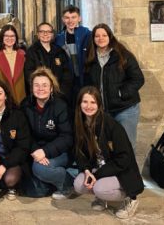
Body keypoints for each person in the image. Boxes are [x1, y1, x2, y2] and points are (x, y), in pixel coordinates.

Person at [73, 86, 144, 219]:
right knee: (78, 184)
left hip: (121, 172)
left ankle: (130, 199)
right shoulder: (80, 124)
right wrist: (87, 171)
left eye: (93, 102)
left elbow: (124, 159)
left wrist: (97, 175)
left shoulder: (112, 126)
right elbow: (79, 153)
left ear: (99, 105)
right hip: (99, 169)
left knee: (99, 188)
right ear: (79, 104)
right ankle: (101, 198)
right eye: (85, 101)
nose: (88, 106)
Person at [84, 23, 145, 148]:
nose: (101, 38)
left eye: (104, 35)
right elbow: (88, 82)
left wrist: (120, 93)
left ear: (110, 37)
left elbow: (138, 79)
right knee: (105, 147)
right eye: (97, 36)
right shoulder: (90, 57)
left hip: (125, 109)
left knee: (126, 146)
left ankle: (129, 168)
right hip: (102, 111)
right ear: (93, 39)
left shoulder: (123, 55)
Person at [20, 67, 73, 199]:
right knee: (34, 191)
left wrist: (45, 152)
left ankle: (68, 182)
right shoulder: (25, 105)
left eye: (45, 85)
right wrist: (36, 150)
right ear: (32, 88)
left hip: (59, 152)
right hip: (35, 152)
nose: (40, 88)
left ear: (51, 88)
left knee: (39, 169)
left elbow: (66, 138)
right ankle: (53, 182)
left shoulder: (60, 106)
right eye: (36, 85)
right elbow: (25, 134)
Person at [24, 22, 73, 108]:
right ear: (38, 35)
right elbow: (29, 74)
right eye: (42, 31)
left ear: (52, 34)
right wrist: (42, 90)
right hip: (39, 96)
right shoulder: (31, 52)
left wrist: (60, 92)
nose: (45, 34)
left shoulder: (59, 51)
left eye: (48, 31)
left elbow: (67, 73)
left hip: (59, 95)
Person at [54, 6, 91, 100]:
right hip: (68, 81)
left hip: (85, 78)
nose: (70, 21)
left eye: (73, 17)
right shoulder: (59, 38)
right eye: (67, 18)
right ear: (63, 19)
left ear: (79, 18)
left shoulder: (87, 34)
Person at [0, 24, 26, 106]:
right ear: (2, 37)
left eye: (12, 36)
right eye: (6, 36)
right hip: (2, 98)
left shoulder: (23, 55)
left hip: (21, 97)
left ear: (16, 38)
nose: (9, 38)